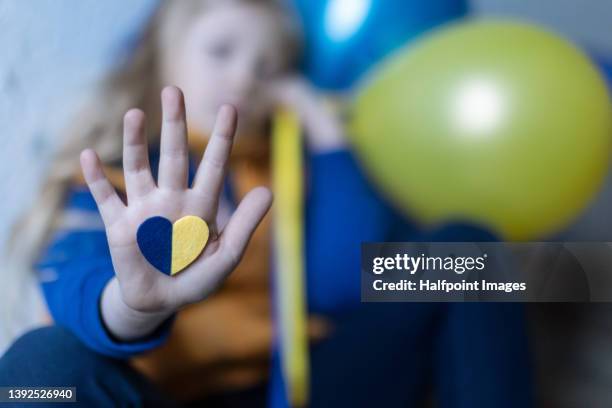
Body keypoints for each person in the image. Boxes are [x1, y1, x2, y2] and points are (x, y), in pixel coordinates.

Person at [0, 1, 532, 406]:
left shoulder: (288, 172)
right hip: (164, 392)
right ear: (163, 54)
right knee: (37, 372)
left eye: (267, 69)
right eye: (221, 51)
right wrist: (131, 306)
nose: (243, 79)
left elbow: (344, 283)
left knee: (468, 256)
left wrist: (325, 133)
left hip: (302, 388)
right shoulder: (119, 174)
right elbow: (74, 283)